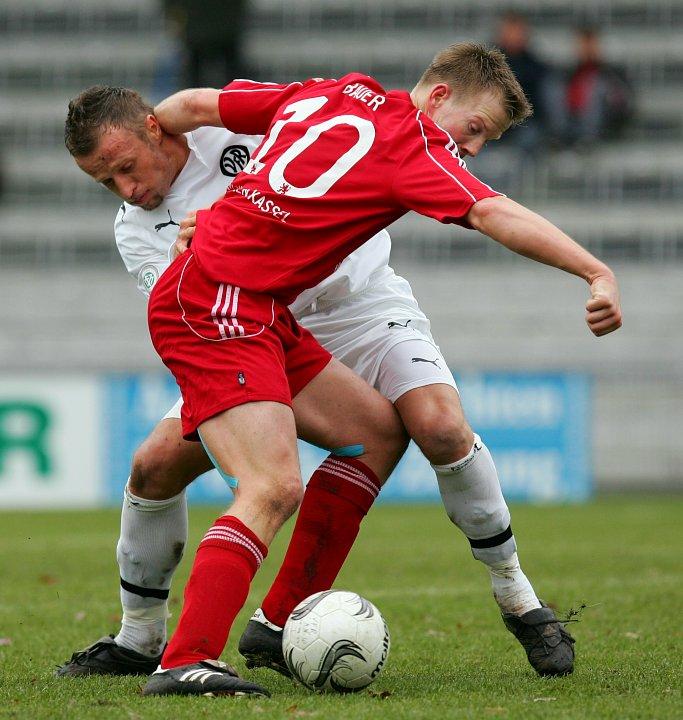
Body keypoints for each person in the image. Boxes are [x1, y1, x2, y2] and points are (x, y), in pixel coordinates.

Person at [69, 42, 621, 696]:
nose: (470, 148)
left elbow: (192, 105)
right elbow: (493, 211)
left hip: (307, 304)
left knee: (390, 431)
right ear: (438, 99)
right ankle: (173, 654)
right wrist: (594, 269)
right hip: (224, 306)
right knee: (262, 485)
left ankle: (283, 622)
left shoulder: (326, 94)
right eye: (473, 131)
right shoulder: (405, 146)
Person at [559, 26, 634, 147]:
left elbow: (626, 105)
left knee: (599, 86)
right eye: (583, 45)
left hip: (604, 127)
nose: (588, 50)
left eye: (591, 44)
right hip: (571, 125)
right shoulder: (565, 76)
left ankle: (587, 136)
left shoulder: (613, 75)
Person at [495, 11, 552, 153]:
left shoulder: (536, 66)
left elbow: (539, 105)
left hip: (525, 123)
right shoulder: (488, 63)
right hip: (495, 119)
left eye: (518, 32)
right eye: (510, 31)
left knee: (530, 137)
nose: (514, 36)